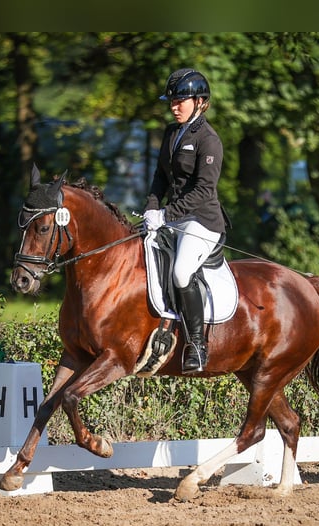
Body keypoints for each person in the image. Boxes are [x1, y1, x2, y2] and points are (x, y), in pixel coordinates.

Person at [143, 68, 228, 374]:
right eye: (172, 101)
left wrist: (166, 214)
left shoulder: (209, 140)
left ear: (200, 101)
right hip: (172, 217)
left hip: (202, 221)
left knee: (180, 272)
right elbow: (159, 178)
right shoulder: (170, 132)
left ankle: (196, 345)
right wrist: (152, 207)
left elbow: (205, 190)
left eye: (181, 100)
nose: (174, 106)